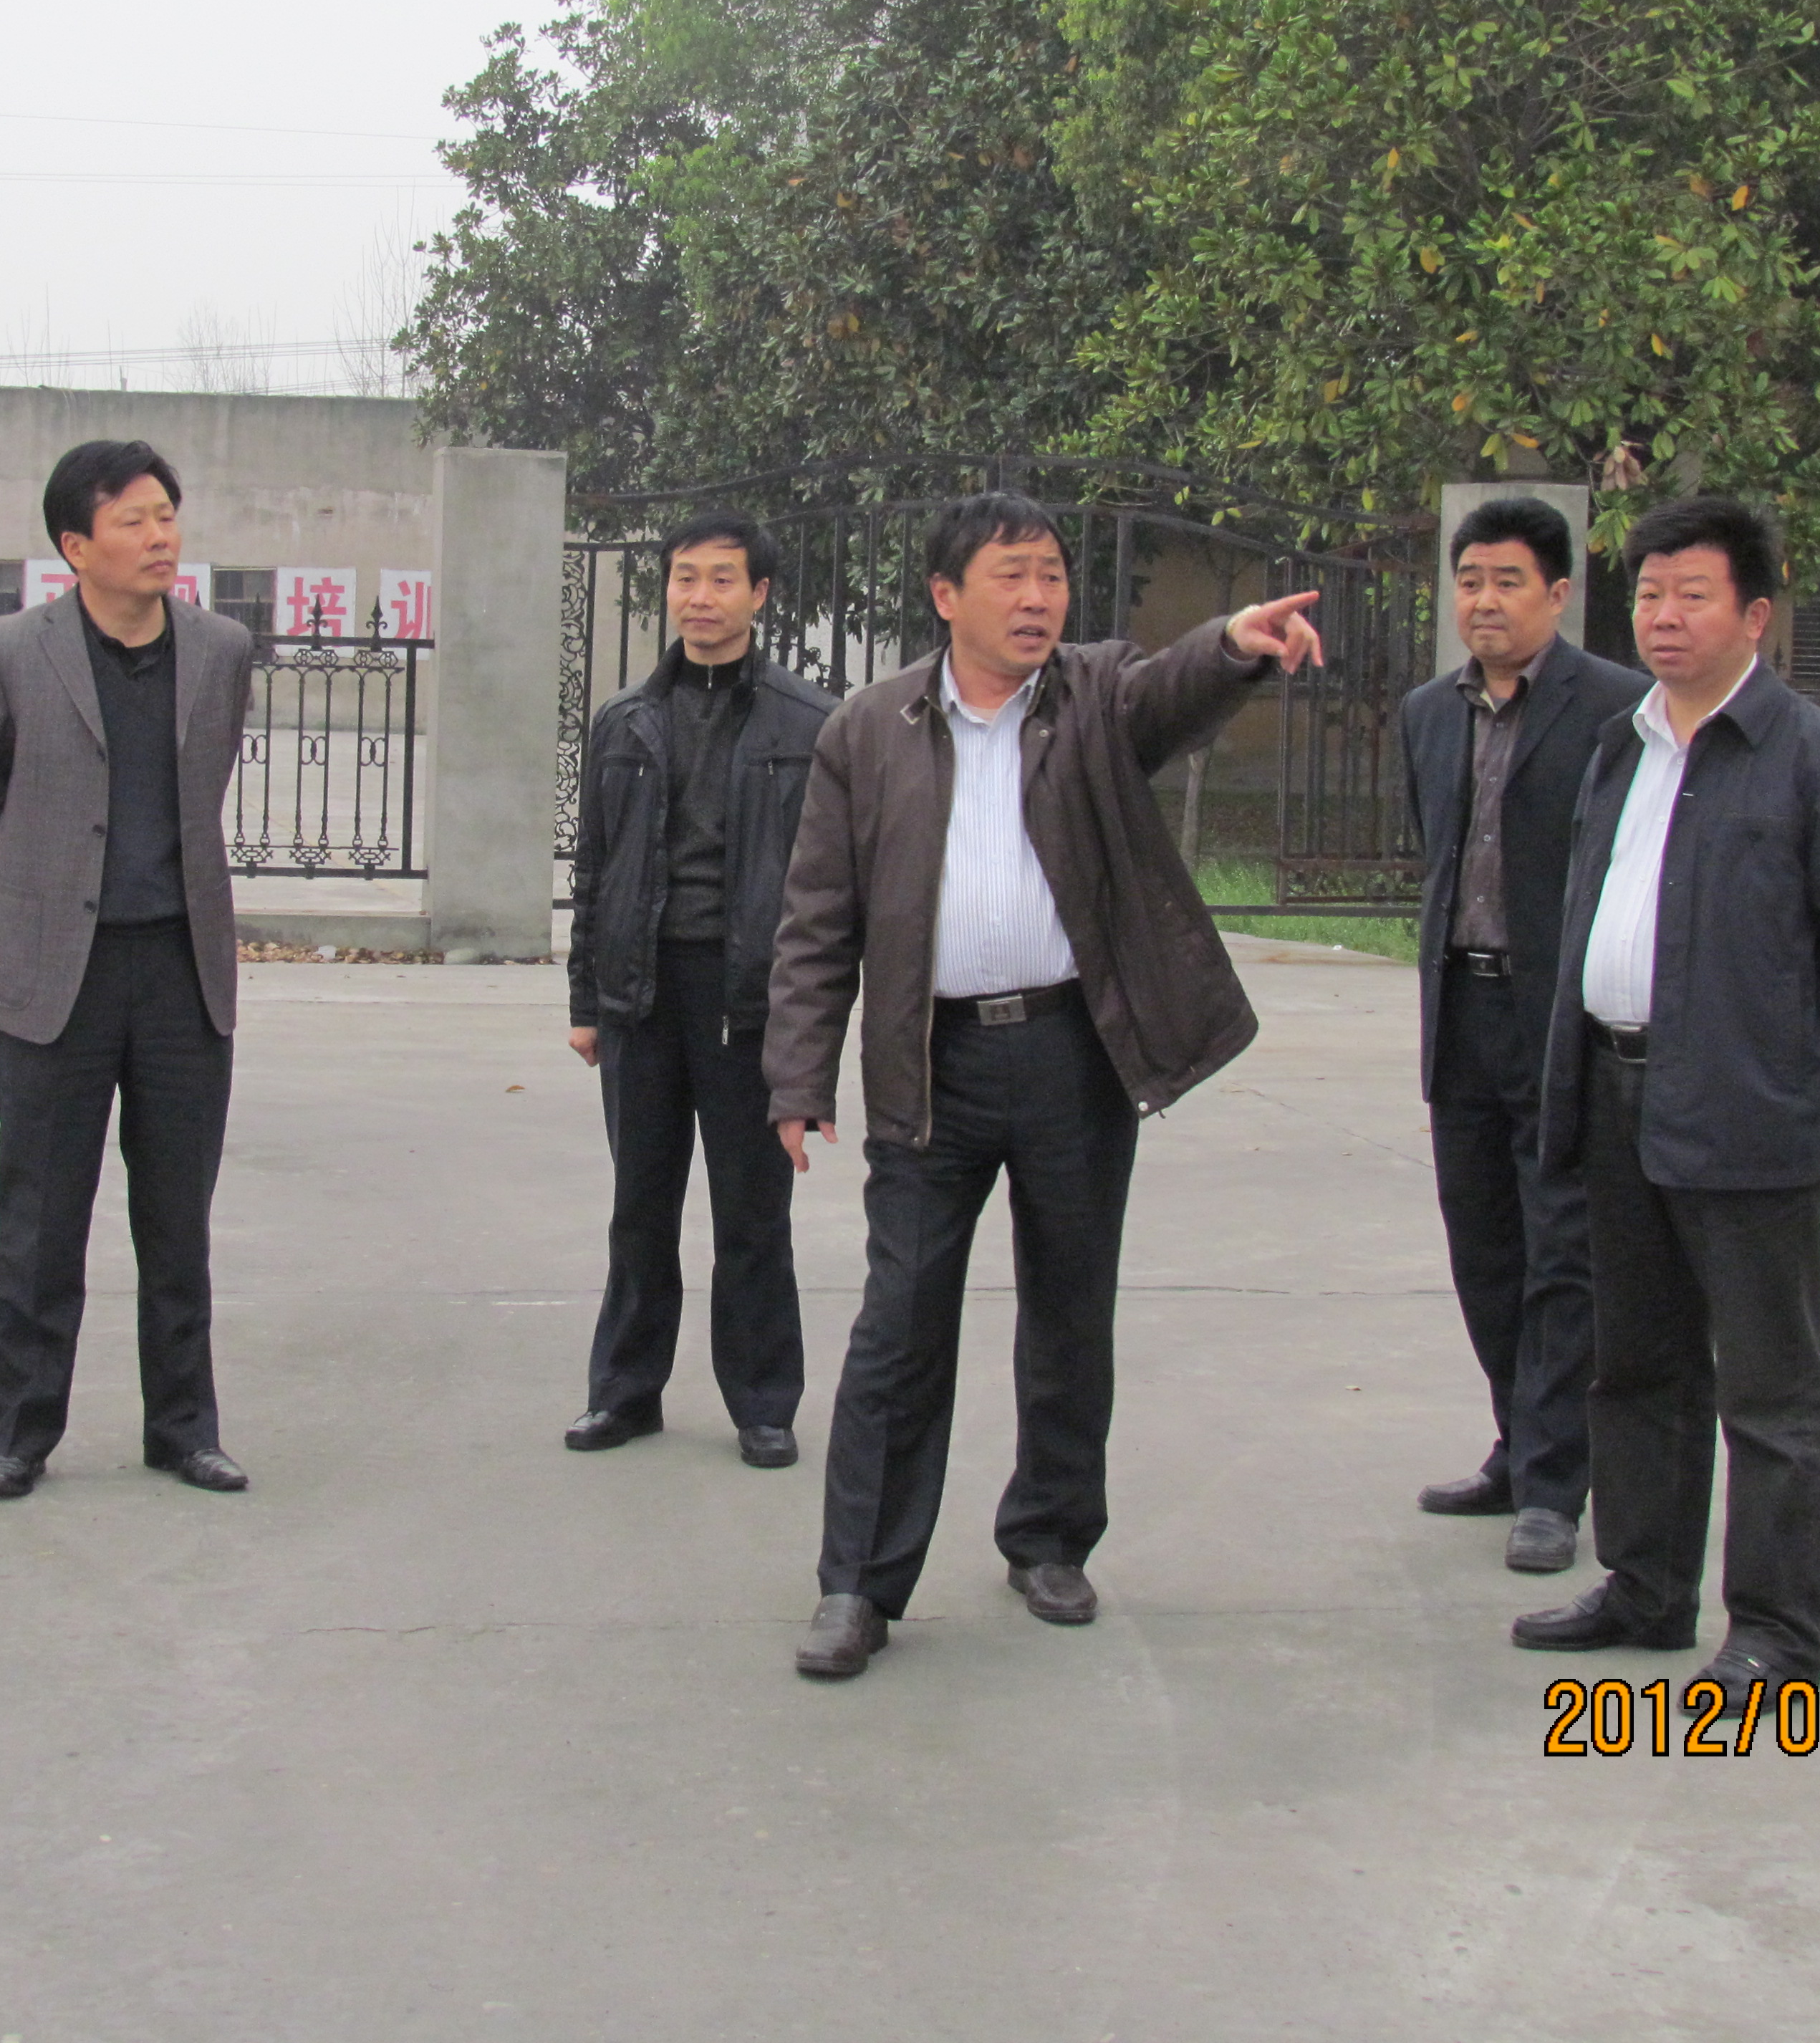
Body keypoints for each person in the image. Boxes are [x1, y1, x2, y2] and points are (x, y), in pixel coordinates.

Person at [765, 493, 1325, 1679]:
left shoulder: (1095, 697)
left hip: (1076, 1052)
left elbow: (1172, 690)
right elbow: (818, 919)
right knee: (899, 1322)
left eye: (1053, 576)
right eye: (1011, 576)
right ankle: (857, 1583)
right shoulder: (868, 730)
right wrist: (798, 1073)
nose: (1037, 599)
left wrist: (1234, 644)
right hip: (931, 1063)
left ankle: (1051, 1539)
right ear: (945, 596)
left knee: (1071, 1309)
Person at [1513, 496, 1820, 1692]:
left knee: (1770, 1388)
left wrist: (1779, 1053)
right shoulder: (1623, 744)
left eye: (1694, 595)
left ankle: (1778, 1631)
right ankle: (1646, 1587)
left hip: (1744, 1111)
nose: (1665, 616)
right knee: (1635, 1364)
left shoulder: (1817, 757)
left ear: (1755, 615)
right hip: (1616, 1090)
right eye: (1649, 594)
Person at [0, 439, 253, 1501]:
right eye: (133, 519)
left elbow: (207, 781)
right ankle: (20, 1434)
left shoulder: (221, 650)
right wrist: (59, 867)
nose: (160, 535)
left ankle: (184, 1430)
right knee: (40, 1221)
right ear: (76, 546)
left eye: (167, 513)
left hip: (180, 971)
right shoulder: (9, 651)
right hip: (55, 976)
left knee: (177, 1221)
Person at [1399, 496, 1646, 1575]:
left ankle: (1555, 1482)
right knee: (1484, 1247)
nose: (1485, 601)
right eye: (1469, 581)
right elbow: (1435, 845)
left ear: (1559, 593)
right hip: (1463, 1009)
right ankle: (1517, 1442)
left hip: (1559, 1020)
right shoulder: (1428, 712)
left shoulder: (1617, 709)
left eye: (1508, 581)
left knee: (1561, 1254)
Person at [563, 513, 834, 1467]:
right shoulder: (624, 720)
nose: (701, 597)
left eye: (723, 579)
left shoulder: (808, 724)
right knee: (639, 1208)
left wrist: (811, 1030)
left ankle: (764, 1403)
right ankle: (624, 1394)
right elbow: (594, 868)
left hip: (748, 999)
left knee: (752, 1215)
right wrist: (587, 1002)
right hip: (642, 997)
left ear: (759, 594)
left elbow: (829, 889)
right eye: (686, 578)